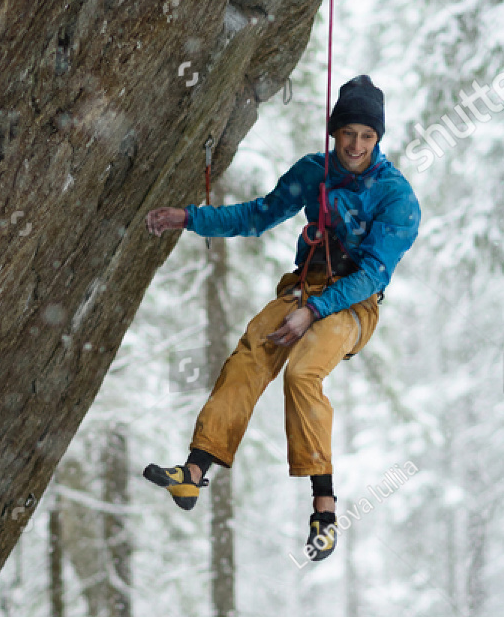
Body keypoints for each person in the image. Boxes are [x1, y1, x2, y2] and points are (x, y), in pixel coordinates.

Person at [143, 75, 421, 562]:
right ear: (335, 132)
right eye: (348, 132)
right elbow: (259, 216)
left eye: (367, 136)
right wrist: (189, 218)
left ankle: (324, 511)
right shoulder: (314, 172)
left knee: (303, 368)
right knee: (251, 352)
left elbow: (374, 273)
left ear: (378, 139)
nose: (356, 144)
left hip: (352, 303)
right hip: (303, 286)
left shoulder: (396, 197)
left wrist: (314, 311)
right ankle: (193, 472)